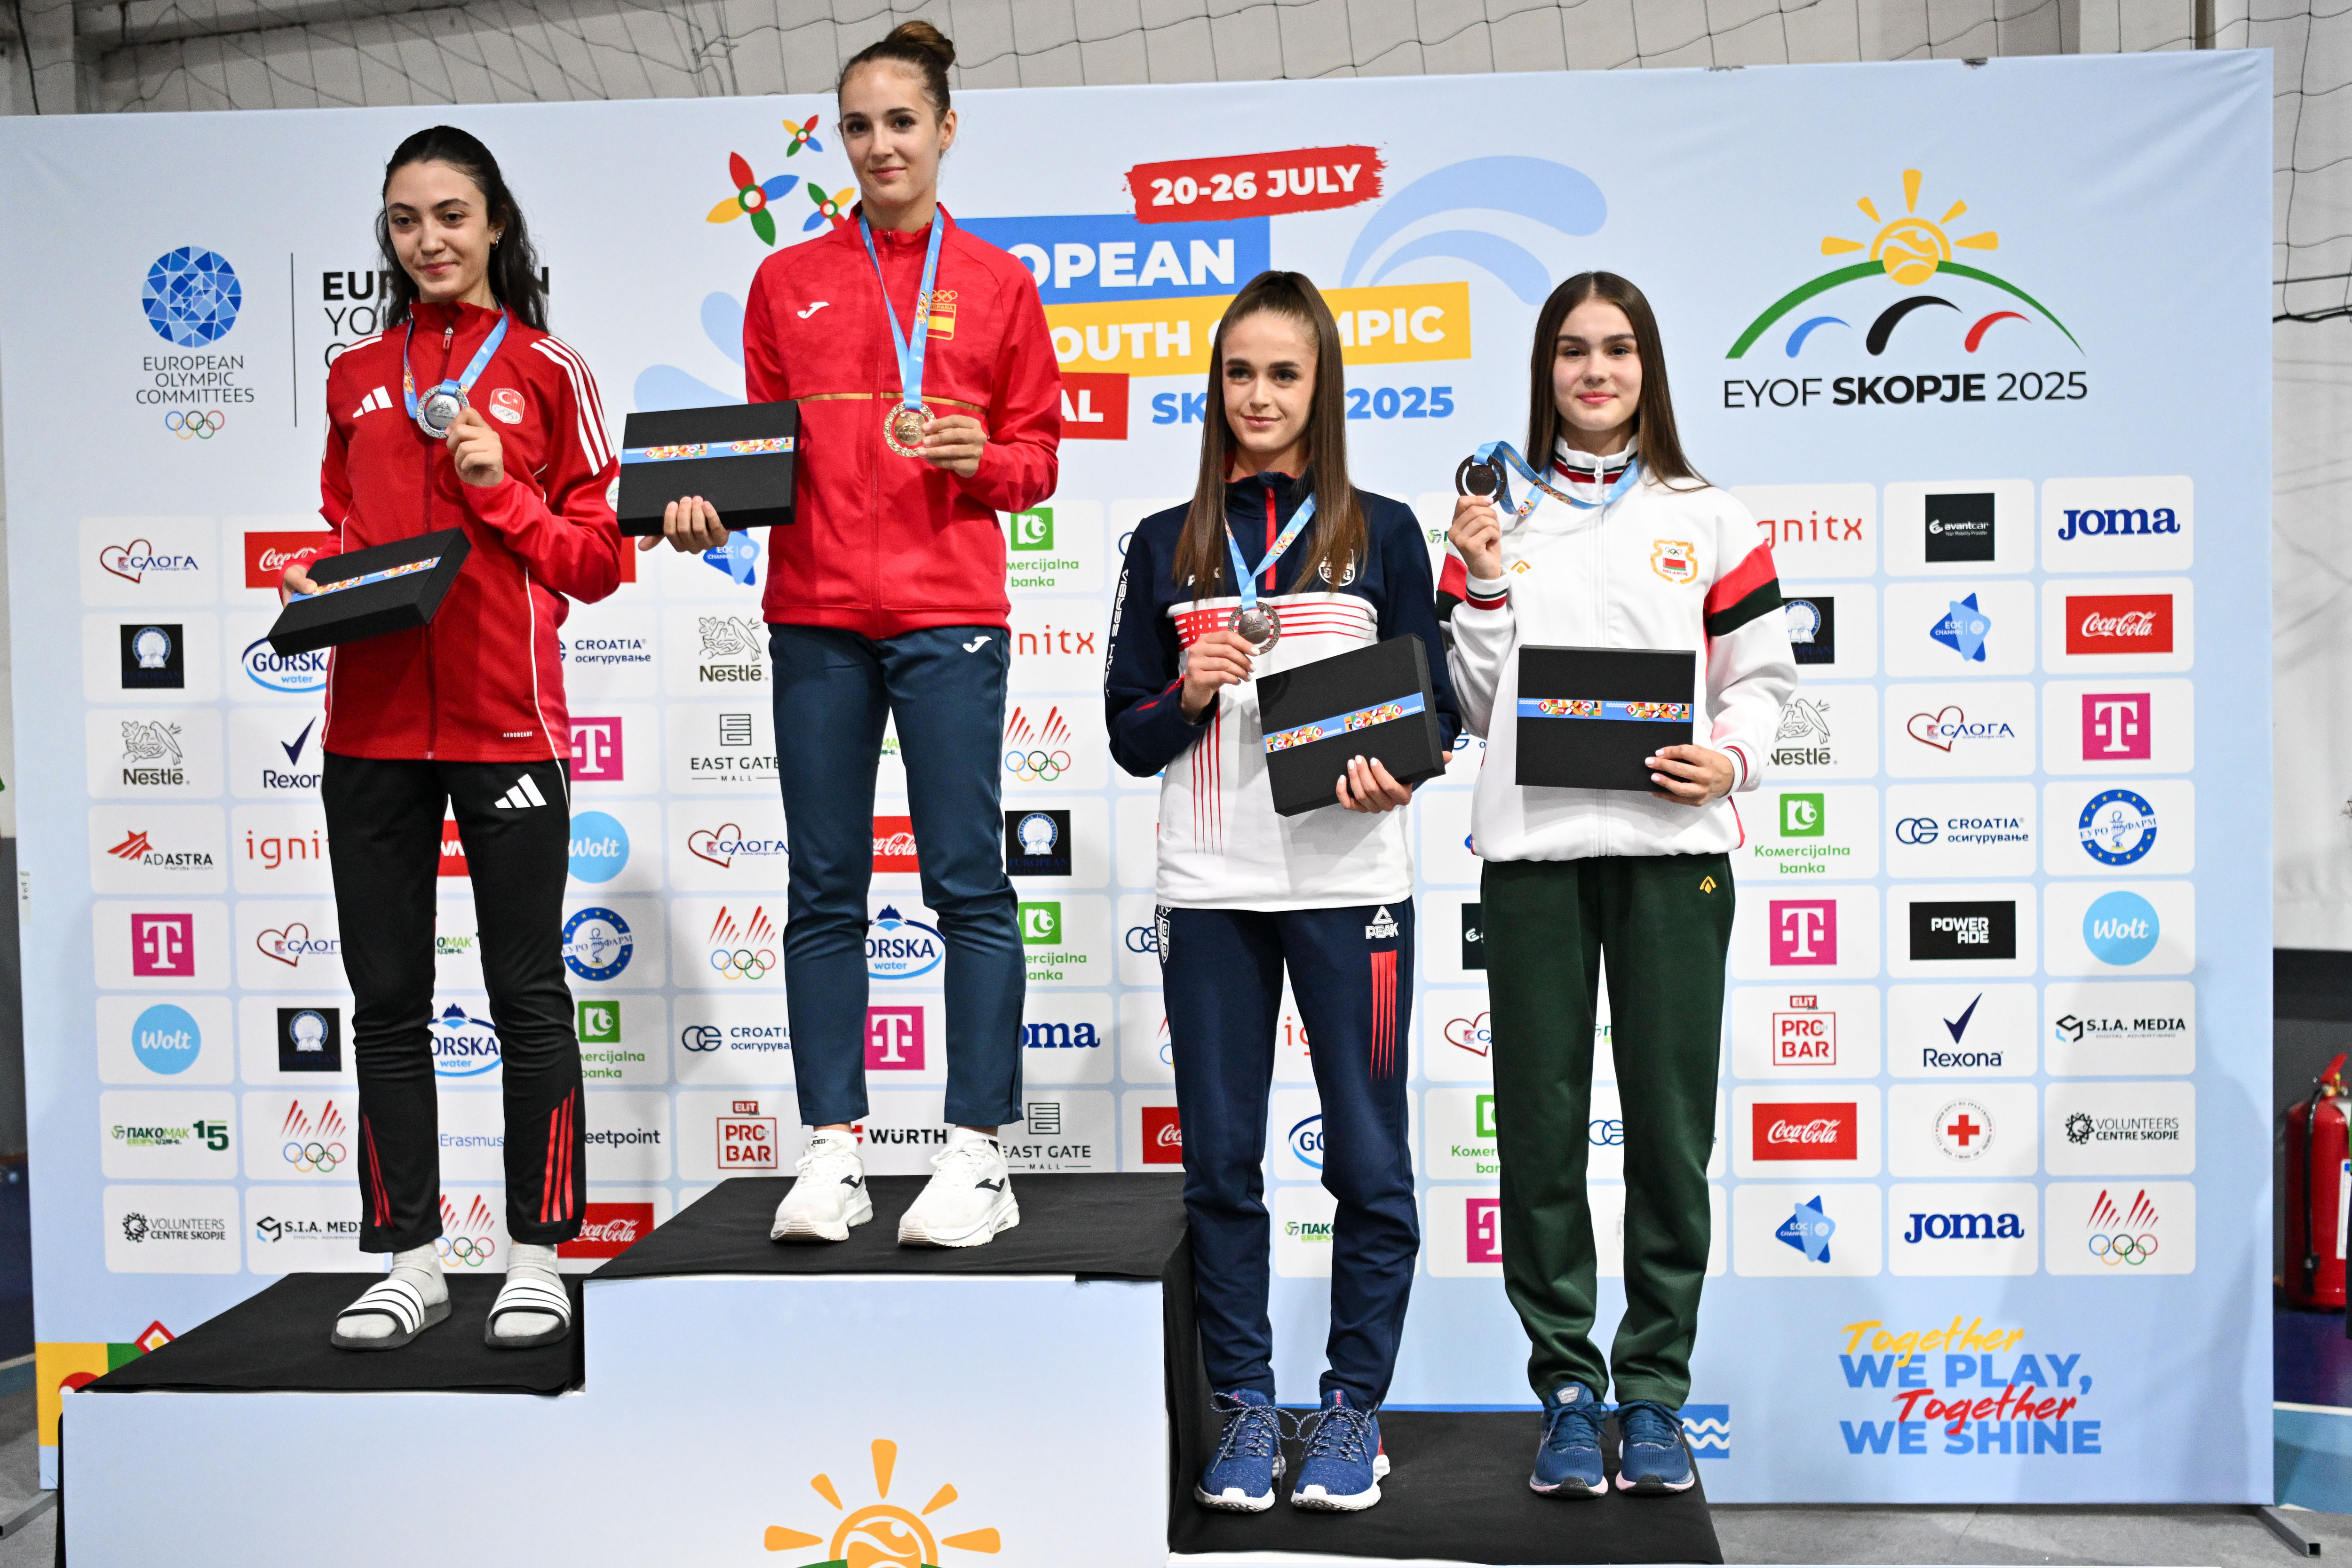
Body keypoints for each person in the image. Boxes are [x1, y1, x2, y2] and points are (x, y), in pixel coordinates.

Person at [647, 21, 1061, 1248]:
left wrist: (983, 458)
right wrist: (703, 514)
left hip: (949, 616)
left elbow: (1038, 459)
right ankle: (835, 1150)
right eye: (860, 126)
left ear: (946, 129)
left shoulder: (998, 284)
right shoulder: (787, 282)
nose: (882, 145)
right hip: (815, 615)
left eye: (902, 122)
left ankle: (977, 1155)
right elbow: (755, 462)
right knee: (824, 886)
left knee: (966, 882)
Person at [1105, 271, 1461, 1514]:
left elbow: (1440, 713)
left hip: (1355, 888)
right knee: (1221, 1165)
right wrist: (1189, 690)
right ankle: (1248, 1406)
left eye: (1284, 373)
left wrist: (1397, 772)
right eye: (1239, 373)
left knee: (1368, 1159)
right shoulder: (1166, 542)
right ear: (1216, 387)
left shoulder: (1386, 531)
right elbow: (1129, 734)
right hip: (1211, 892)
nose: (1259, 396)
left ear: (1322, 385)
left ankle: (1353, 1408)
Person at [1441, 271, 1795, 1495]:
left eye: (1619, 348)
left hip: (1674, 858)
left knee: (1669, 1136)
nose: (1596, 371)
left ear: (1649, 368)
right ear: (1544, 370)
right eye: (1573, 351)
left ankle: (1652, 1396)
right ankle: (1565, 1390)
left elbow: (1765, 681)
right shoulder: (1493, 516)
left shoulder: (1714, 517)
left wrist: (1732, 758)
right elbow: (1472, 705)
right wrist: (1486, 579)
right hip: (1533, 862)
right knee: (1539, 1135)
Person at [291, 126, 625, 1351]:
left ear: (494, 225)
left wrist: (499, 489)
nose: (427, 240)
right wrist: (321, 579)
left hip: (506, 724)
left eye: (450, 216)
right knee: (386, 1000)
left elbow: (598, 560)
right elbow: (342, 526)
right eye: (404, 220)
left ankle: (539, 1255)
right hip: (370, 725)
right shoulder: (355, 375)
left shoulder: (549, 370)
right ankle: (410, 1259)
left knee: (527, 994)